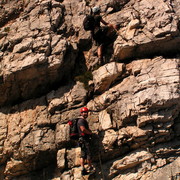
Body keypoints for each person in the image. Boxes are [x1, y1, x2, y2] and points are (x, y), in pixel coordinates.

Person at [77, 107, 94, 175]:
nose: (85, 114)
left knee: (83, 154)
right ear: (81, 113)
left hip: (81, 140)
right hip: (84, 139)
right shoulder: (81, 121)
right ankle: (90, 167)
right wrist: (90, 133)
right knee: (88, 153)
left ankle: (82, 168)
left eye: (86, 112)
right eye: (84, 112)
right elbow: (83, 129)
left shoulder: (80, 120)